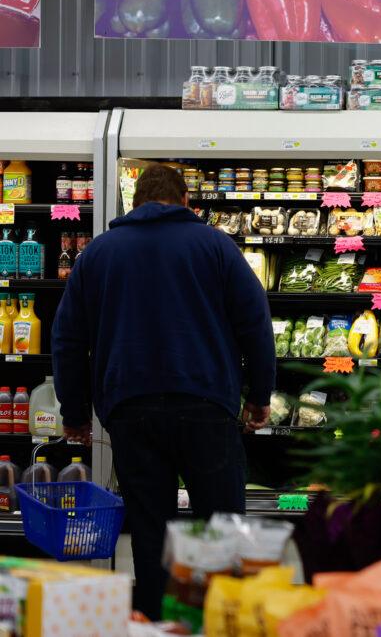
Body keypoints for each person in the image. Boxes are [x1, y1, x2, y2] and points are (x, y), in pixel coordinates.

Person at [52, 163, 276, 619]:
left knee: (153, 529)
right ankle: (223, 622)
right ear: (187, 202)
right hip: (206, 405)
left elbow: (68, 339)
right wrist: (260, 395)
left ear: (135, 204)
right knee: (221, 525)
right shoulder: (217, 246)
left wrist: (74, 413)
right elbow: (257, 323)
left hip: (130, 409)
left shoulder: (98, 254)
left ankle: (157, 625)